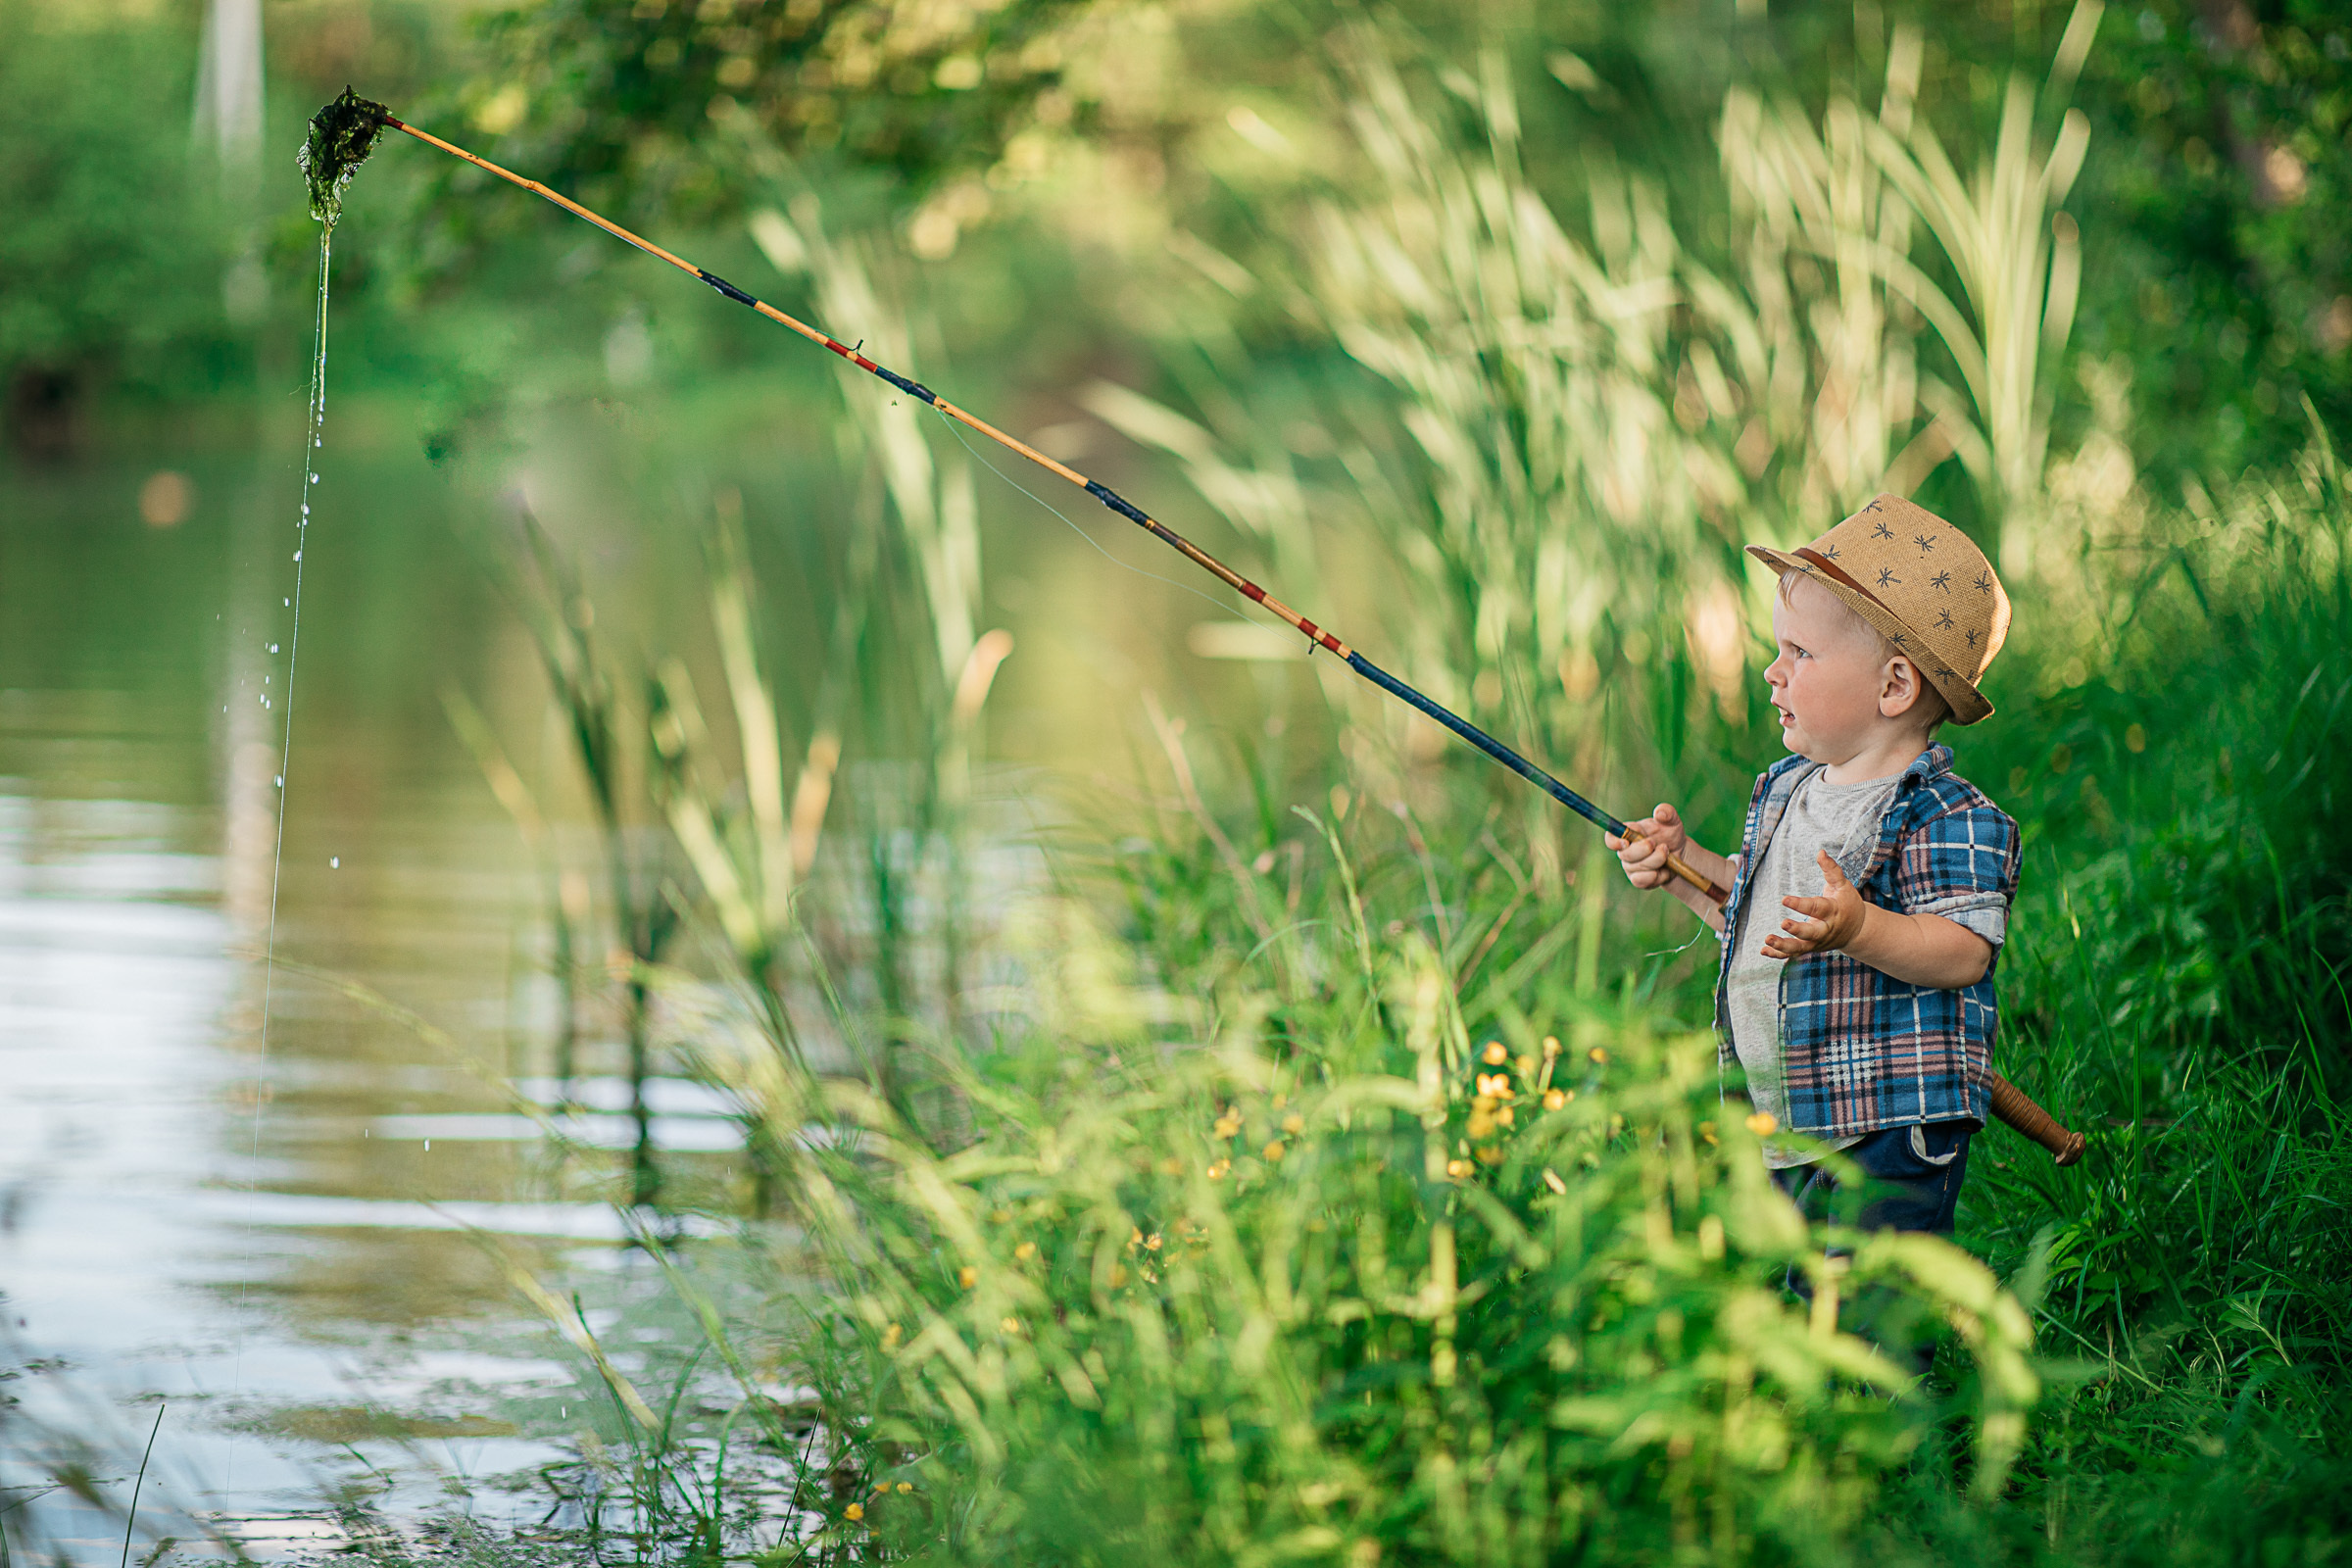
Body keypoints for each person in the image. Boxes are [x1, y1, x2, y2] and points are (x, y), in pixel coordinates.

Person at [1609, 493, 2020, 1254]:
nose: (1772, 672)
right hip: (1793, 1110)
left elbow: (1964, 951)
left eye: (1799, 654)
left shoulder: (1945, 814)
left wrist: (1861, 927)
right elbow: (1768, 913)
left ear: (1894, 687)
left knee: (1876, 1302)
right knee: (1805, 1301)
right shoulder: (1789, 789)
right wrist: (1683, 867)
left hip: (1890, 1118)